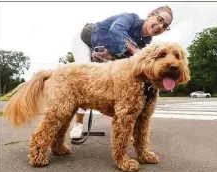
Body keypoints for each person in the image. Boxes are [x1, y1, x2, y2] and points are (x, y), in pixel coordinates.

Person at [70, 5, 173, 139]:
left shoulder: (146, 40)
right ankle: (78, 124)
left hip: (102, 53)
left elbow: (126, 61)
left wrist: (112, 57)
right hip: (85, 41)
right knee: (83, 80)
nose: (160, 26)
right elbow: (116, 30)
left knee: (111, 85)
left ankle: (121, 122)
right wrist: (136, 51)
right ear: (150, 15)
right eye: (159, 19)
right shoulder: (131, 18)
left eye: (165, 26)